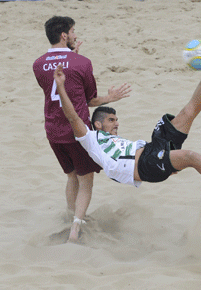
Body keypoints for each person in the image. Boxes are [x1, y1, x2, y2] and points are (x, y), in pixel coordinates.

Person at [54, 40, 201, 197]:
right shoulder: (90, 139)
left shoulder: (114, 140)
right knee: (191, 157)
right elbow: (72, 116)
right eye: (111, 120)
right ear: (97, 124)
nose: (117, 123)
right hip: (143, 165)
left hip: (150, 148)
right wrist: (61, 86)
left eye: (116, 119)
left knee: (186, 113)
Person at [33, 16, 131, 242]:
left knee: (71, 177)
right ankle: (76, 228)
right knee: (86, 180)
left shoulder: (38, 64)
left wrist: (71, 57)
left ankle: (71, 216)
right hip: (77, 132)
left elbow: (60, 87)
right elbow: (90, 100)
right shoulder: (83, 63)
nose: (76, 35)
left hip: (53, 130)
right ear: (64, 35)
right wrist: (112, 97)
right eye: (73, 31)